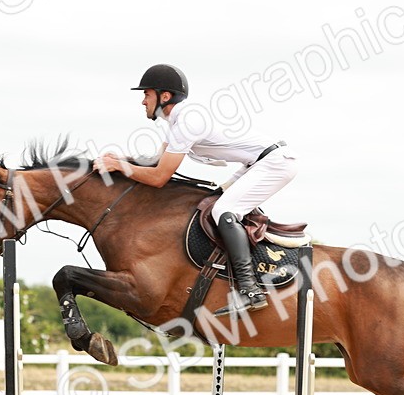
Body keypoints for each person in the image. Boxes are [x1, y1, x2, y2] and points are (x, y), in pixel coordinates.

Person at [94, 64, 297, 315]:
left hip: (274, 163)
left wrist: (120, 167)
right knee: (213, 203)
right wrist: (122, 160)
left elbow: (159, 177)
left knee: (223, 210)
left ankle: (249, 290)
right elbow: (158, 162)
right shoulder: (175, 122)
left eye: (146, 94)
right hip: (255, 165)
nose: (142, 101)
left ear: (164, 96)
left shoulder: (188, 120)